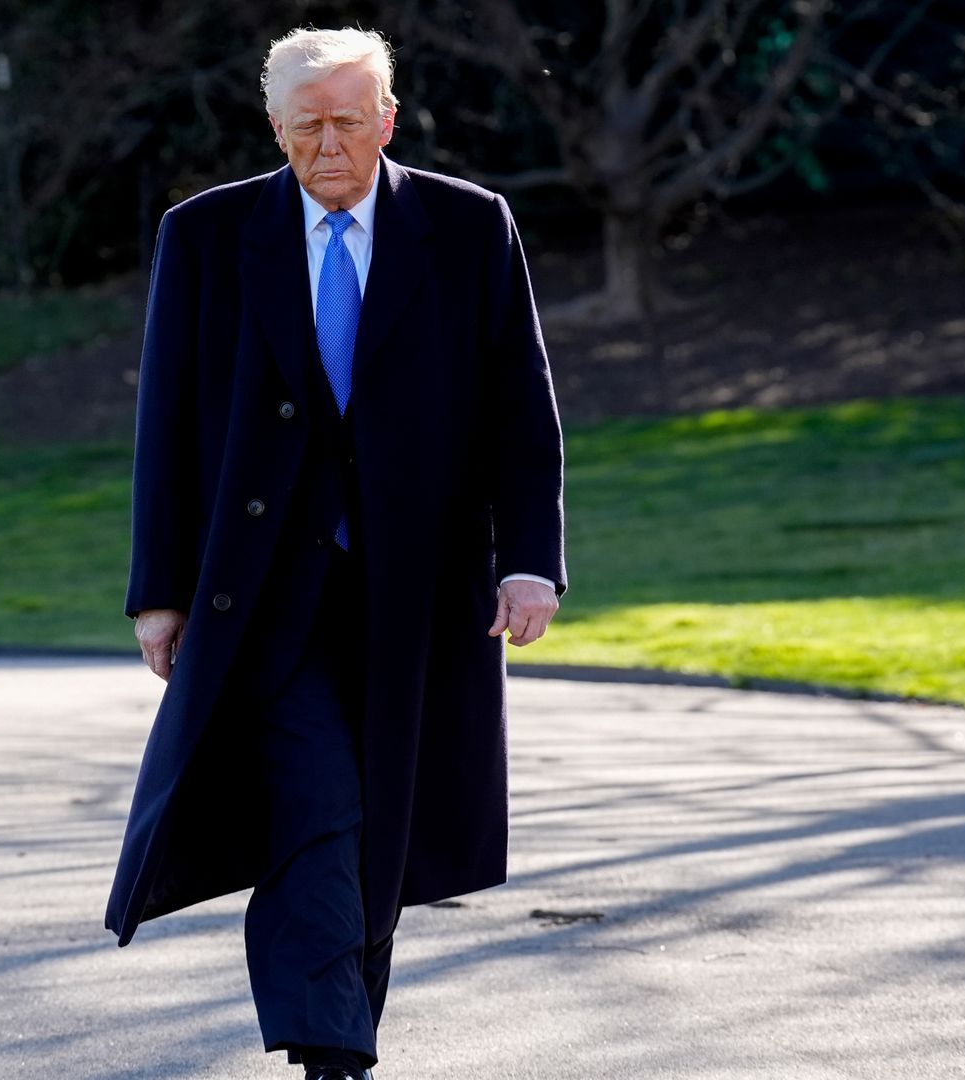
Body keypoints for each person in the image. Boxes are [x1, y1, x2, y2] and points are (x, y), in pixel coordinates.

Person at [103, 26, 568, 1080]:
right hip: (263, 595)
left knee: (382, 824)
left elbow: (520, 412)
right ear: (274, 127)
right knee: (317, 804)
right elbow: (166, 428)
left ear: (388, 120)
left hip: (419, 594)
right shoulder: (205, 235)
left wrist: (529, 560)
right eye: (305, 125)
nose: (327, 145)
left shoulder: (470, 226)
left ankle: (340, 1033)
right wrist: (159, 593)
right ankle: (332, 1054)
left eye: (347, 122)